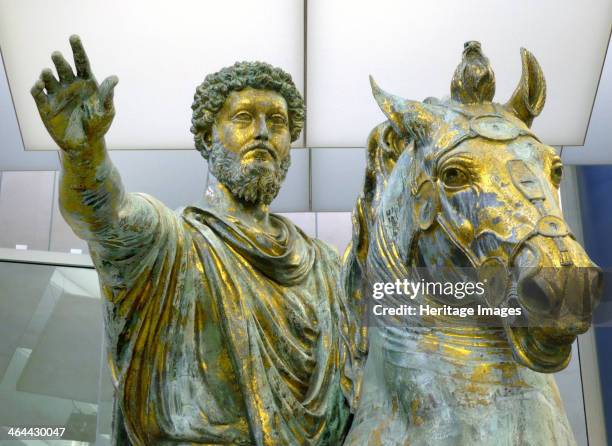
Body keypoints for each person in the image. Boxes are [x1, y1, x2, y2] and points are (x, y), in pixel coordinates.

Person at [32, 35, 353, 446]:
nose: (261, 133)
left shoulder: (325, 264)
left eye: (277, 122)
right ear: (207, 138)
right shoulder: (170, 240)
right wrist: (84, 154)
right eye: (243, 117)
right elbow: (104, 216)